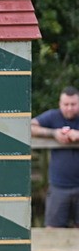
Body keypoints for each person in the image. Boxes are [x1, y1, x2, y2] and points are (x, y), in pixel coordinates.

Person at [30, 86, 79, 228]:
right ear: (60, 104)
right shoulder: (53, 116)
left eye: (73, 104)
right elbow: (30, 126)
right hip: (59, 186)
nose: (69, 108)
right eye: (66, 104)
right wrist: (53, 133)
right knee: (52, 230)